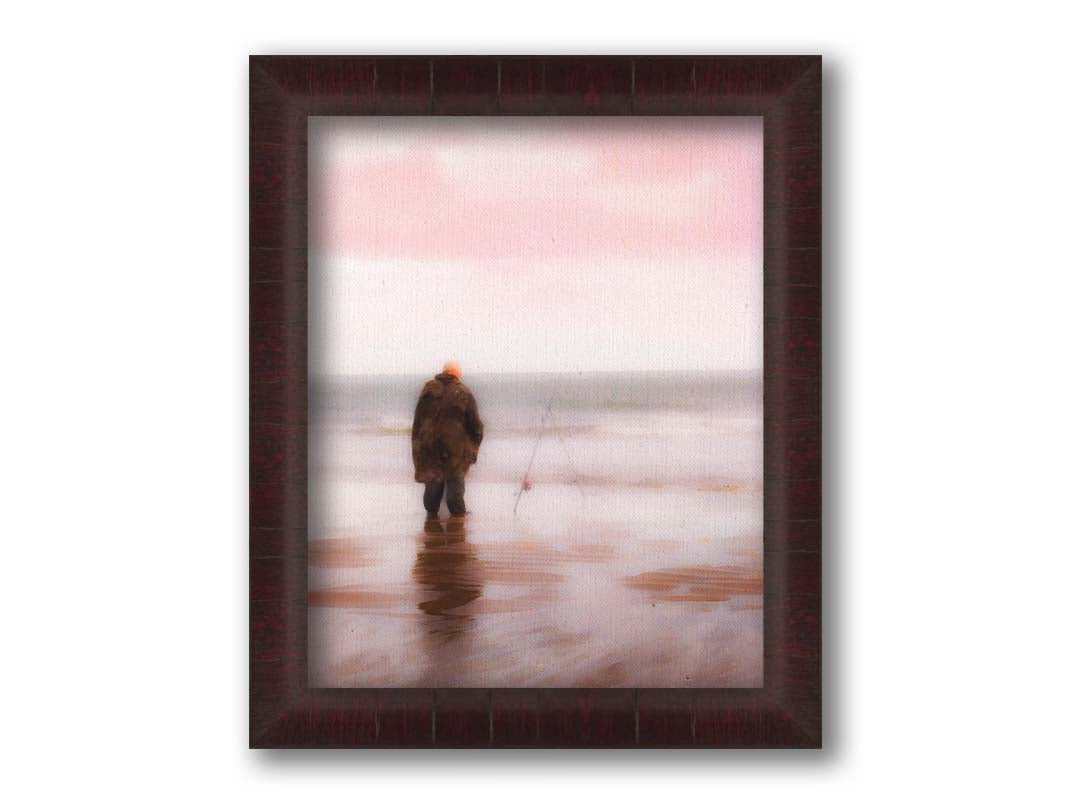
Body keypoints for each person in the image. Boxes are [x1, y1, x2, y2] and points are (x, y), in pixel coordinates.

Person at [411, 361, 483, 515]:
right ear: (457, 375)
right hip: (455, 451)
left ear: (443, 373)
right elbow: (476, 426)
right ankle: (457, 523)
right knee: (455, 489)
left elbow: (418, 422)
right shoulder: (463, 392)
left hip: (430, 448)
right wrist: (474, 447)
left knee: (432, 490)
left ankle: (431, 520)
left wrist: (418, 446)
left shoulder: (427, 391)